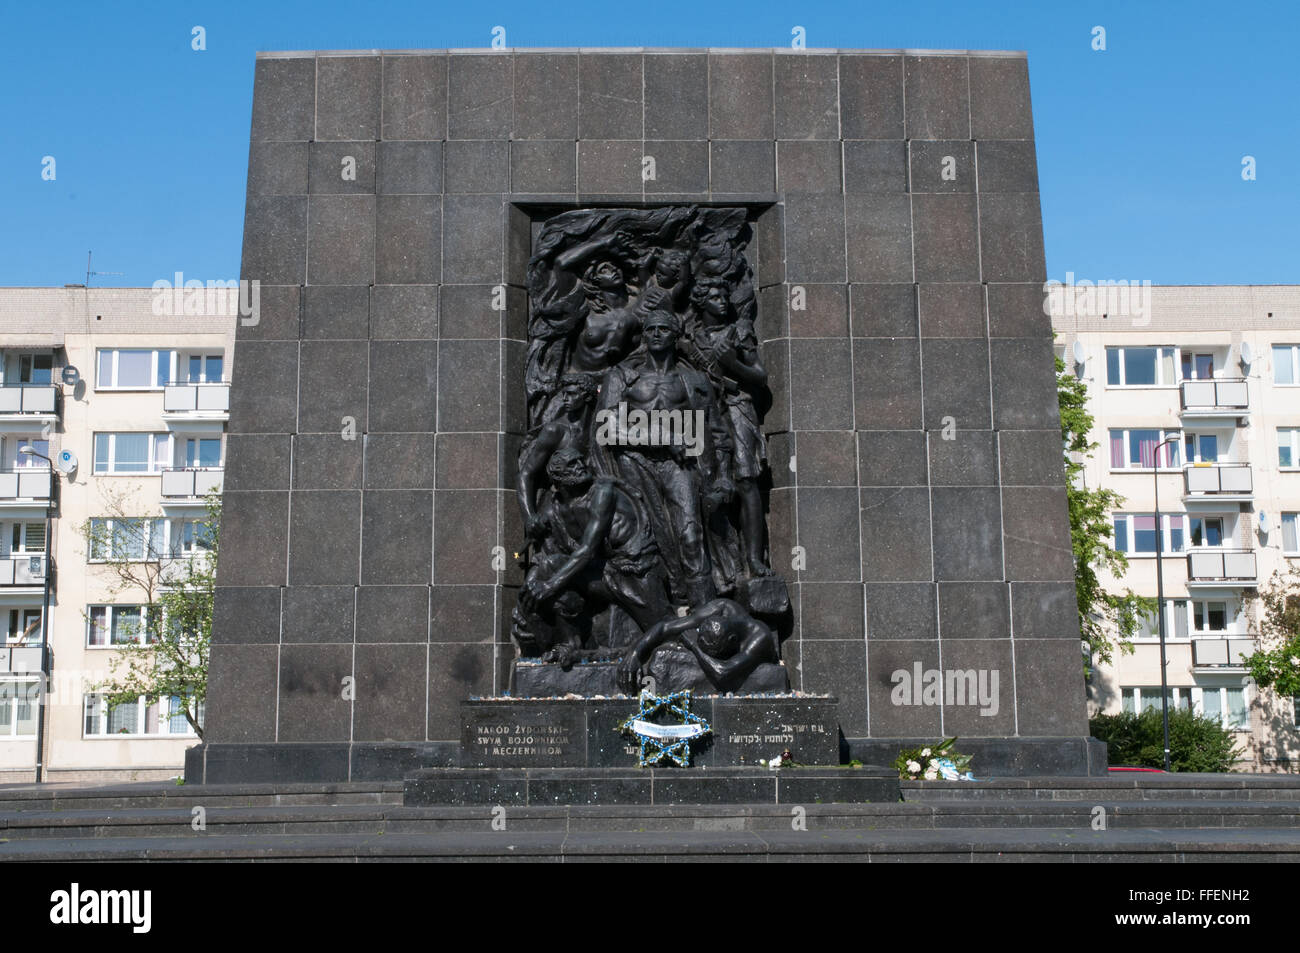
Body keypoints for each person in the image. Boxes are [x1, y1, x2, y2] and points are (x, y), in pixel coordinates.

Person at [597, 307, 731, 607]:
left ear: (676, 335)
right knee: (647, 541)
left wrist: (723, 476)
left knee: (690, 535)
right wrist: (662, 439)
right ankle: (662, 610)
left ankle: (706, 614)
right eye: (650, 329)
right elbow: (605, 427)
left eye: (664, 329)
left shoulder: (694, 379)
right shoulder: (622, 376)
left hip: (681, 465)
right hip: (633, 464)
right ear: (643, 336)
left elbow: (717, 431)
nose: (656, 334)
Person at [514, 447, 673, 656]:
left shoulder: (602, 491)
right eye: (572, 465)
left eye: (580, 460)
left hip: (635, 570)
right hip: (603, 572)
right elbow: (549, 557)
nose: (581, 466)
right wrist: (530, 589)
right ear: (558, 478)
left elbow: (587, 550)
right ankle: (569, 645)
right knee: (546, 568)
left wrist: (549, 585)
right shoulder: (556, 508)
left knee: (667, 635)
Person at [616, 598, 783, 694]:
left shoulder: (760, 638)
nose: (708, 654)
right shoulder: (722, 608)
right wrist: (634, 654)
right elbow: (666, 627)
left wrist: (693, 645)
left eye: (713, 652)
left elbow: (723, 672)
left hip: (736, 671)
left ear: (732, 641)